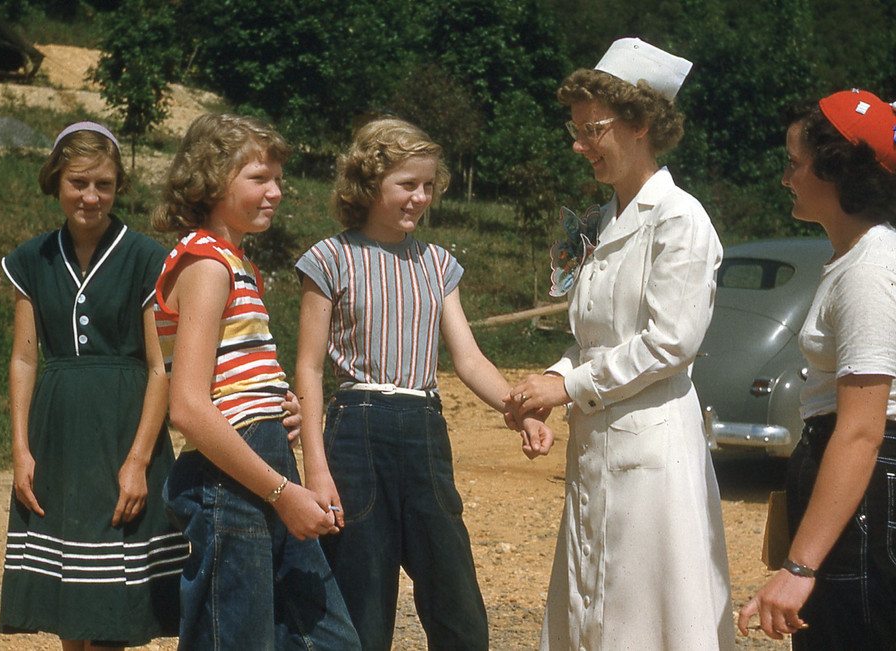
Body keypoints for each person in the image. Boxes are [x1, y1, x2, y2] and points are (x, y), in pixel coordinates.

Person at [504, 38, 734, 649]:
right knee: (592, 606)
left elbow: (668, 344)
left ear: (640, 125)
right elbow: (596, 337)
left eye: (593, 129)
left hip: (654, 450)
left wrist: (569, 385)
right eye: (575, 131)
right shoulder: (605, 221)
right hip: (599, 441)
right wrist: (547, 384)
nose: (580, 146)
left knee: (645, 613)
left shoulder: (679, 219)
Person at [293, 116, 552, 650]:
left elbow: (469, 359)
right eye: (406, 185)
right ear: (368, 184)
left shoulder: (438, 263)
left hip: (424, 430)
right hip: (356, 429)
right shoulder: (329, 258)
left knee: (455, 599)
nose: (420, 197)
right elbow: (309, 371)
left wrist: (518, 409)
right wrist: (315, 468)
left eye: (428, 186)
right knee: (362, 597)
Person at [153, 113, 359, 650]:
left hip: (263, 460)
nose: (276, 191)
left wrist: (277, 403)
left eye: (277, 179)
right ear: (212, 180)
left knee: (326, 639)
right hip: (234, 481)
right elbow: (190, 408)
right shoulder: (206, 266)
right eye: (259, 178)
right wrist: (283, 492)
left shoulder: (232, 263)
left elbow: (229, 379)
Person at [0, 122, 188, 649]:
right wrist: (20, 449)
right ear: (56, 181)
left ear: (119, 184)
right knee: (68, 593)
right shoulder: (31, 259)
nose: (90, 195)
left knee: (111, 602)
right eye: (78, 182)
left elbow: (161, 367)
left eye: (103, 183)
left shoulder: (148, 257)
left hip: (124, 430)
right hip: (57, 433)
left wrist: (139, 460)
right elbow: (23, 359)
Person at [737, 90, 896, 647]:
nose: (785, 178)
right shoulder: (850, 260)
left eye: (794, 163)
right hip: (846, 481)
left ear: (835, 170)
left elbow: (860, 429)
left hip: (866, 492)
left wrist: (799, 568)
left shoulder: (869, 271)